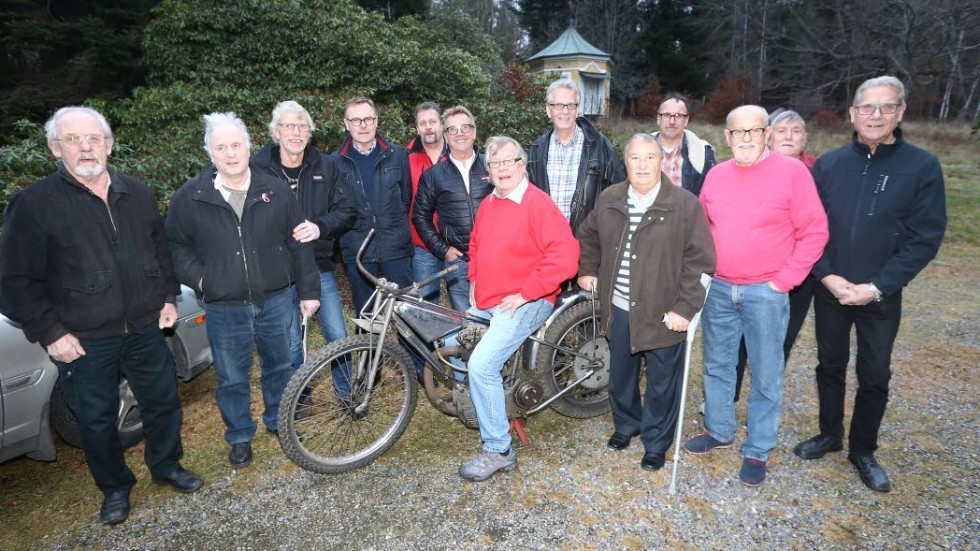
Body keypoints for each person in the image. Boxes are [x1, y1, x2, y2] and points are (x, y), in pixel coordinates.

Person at [0, 106, 202, 525]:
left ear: (109, 145)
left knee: (163, 403)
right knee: (95, 421)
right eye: (73, 139)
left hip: (146, 326)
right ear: (56, 149)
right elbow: (14, 281)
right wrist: (50, 333)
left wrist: (167, 297)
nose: (86, 147)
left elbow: (161, 253)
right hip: (83, 338)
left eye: (94, 138)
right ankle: (114, 488)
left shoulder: (138, 193)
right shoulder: (34, 205)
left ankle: (166, 466)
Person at [795, 76, 946, 492]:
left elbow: (925, 238)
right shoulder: (831, 164)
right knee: (829, 365)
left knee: (875, 374)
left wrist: (877, 287)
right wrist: (825, 275)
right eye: (866, 107)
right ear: (852, 114)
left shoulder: (921, 166)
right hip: (832, 287)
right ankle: (829, 433)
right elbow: (810, 226)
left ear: (900, 112)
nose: (875, 115)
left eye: (885, 107)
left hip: (880, 293)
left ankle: (863, 448)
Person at [684, 105, 828, 487]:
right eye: (738, 132)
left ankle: (758, 447)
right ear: (727, 138)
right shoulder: (715, 176)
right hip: (718, 288)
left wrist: (785, 281)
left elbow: (814, 232)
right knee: (717, 364)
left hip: (766, 290)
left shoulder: (792, 173)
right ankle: (718, 429)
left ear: (766, 134)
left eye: (754, 130)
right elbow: (702, 231)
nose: (746, 138)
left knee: (766, 373)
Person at [166, 112, 320, 469]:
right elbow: (175, 248)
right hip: (224, 306)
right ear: (210, 152)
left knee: (280, 366)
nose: (230, 153)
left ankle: (278, 420)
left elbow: (299, 243)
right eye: (221, 147)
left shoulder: (275, 189)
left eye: (236, 145)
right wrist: (204, 281)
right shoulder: (191, 197)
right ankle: (238, 435)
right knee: (231, 375)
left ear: (248, 147)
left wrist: (309, 290)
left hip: (277, 298)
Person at [577, 134, 715, 471]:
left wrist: (685, 308)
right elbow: (588, 235)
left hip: (664, 312)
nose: (642, 165)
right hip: (619, 307)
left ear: (662, 162)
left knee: (662, 382)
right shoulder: (610, 198)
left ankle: (656, 441)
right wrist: (587, 270)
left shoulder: (684, 204)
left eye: (649, 158)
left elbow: (701, 262)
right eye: (635, 158)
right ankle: (627, 424)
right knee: (621, 374)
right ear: (626, 162)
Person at [457, 136, 580, 482]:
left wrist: (526, 293)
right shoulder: (489, 203)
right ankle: (487, 407)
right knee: (452, 342)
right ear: (489, 171)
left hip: (528, 301)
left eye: (508, 162)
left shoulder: (538, 204)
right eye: (495, 164)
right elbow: (477, 244)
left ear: (522, 165)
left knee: (481, 365)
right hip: (490, 298)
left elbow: (566, 257)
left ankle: (499, 449)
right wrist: (474, 280)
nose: (502, 170)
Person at [251, 101, 356, 394]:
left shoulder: (326, 166)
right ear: (276, 131)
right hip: (278, 272)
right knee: (291, 341)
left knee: (337, 335)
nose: (296, 133)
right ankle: (300, 399)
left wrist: (319, 226)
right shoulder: (257, 169)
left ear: (309, 132)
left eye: (302, 126)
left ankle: (348, 394)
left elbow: (347, 210)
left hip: (318, 266)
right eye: (289, 126)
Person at [729, 110, 820, 404]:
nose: (789, 137)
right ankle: (727, 396)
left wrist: (786, 278)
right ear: (769, 135)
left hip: (796, 277)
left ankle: (765, 405)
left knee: (778, 345)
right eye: (782, 131)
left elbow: (818, 228)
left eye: (796, 131)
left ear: (805, 137)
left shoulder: (817, 171)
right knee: (738, 342)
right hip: (750, 278)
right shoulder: (744, 169)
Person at [334, 96, 414, 313]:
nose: (363, 125)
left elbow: (406, 198)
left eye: (368, 119)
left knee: (407, 313)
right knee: (366, 315)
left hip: (395, 247)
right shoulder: (333, 163)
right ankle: (369, 350)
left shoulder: (397, 155)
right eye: (356, 120)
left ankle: (408, 350)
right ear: (346, 124)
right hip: (358, 250)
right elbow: (336, 210)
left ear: (376, 121)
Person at [412, 105, 493, 311]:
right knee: (468, 320)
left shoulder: (493, 166)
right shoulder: (433, 175)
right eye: (452, 129)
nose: (459, 133)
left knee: (498, 318)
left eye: (465, 127)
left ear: (474, 132)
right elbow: (420, 216)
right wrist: (443, 249)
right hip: (459, 261)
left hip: (493, 258)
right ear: (446, 136)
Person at [527, 78, 625, 235]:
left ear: (577, 109)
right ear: (548, 110)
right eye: (558, 105)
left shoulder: (601, 147)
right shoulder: (536, 150)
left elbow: (619, 196)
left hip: (587, 245)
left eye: (571, 105)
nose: (565, 111)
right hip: (546, 245)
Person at [407, 101, 449, 302]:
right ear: (417, 128)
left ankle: (462, 336)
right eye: (423, 123)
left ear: (441, 123)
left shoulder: (458, 152)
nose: (428, 127)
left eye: (432, 121)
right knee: (425, 306)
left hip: (458, 243)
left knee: (465, 305)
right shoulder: (406, 158)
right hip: (422, 244)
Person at [651, 92, 716, 196]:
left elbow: (711, 195)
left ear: (686, 120)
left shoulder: (703, 154)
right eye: (667, 115)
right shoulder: (638, 151)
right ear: (658, 119)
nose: (672, 121)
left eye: (678, 116)